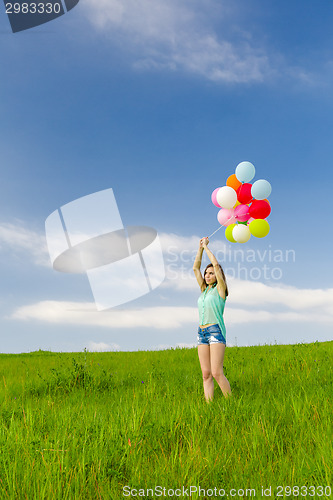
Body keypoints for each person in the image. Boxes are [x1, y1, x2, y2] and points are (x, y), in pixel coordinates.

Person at [193, 237, 231, 401]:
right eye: (206, 273)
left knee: (216, 372)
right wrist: (200, 248)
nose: (207, 276)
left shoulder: (220, 290)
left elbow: (216, 265)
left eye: (211, 274)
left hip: (215, 331)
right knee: (206, 374)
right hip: (201, 332)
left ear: (217, 276)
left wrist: (207, 248)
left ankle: (231, 403)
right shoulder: (204, 290)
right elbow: (195, 268)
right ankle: (209, 407)